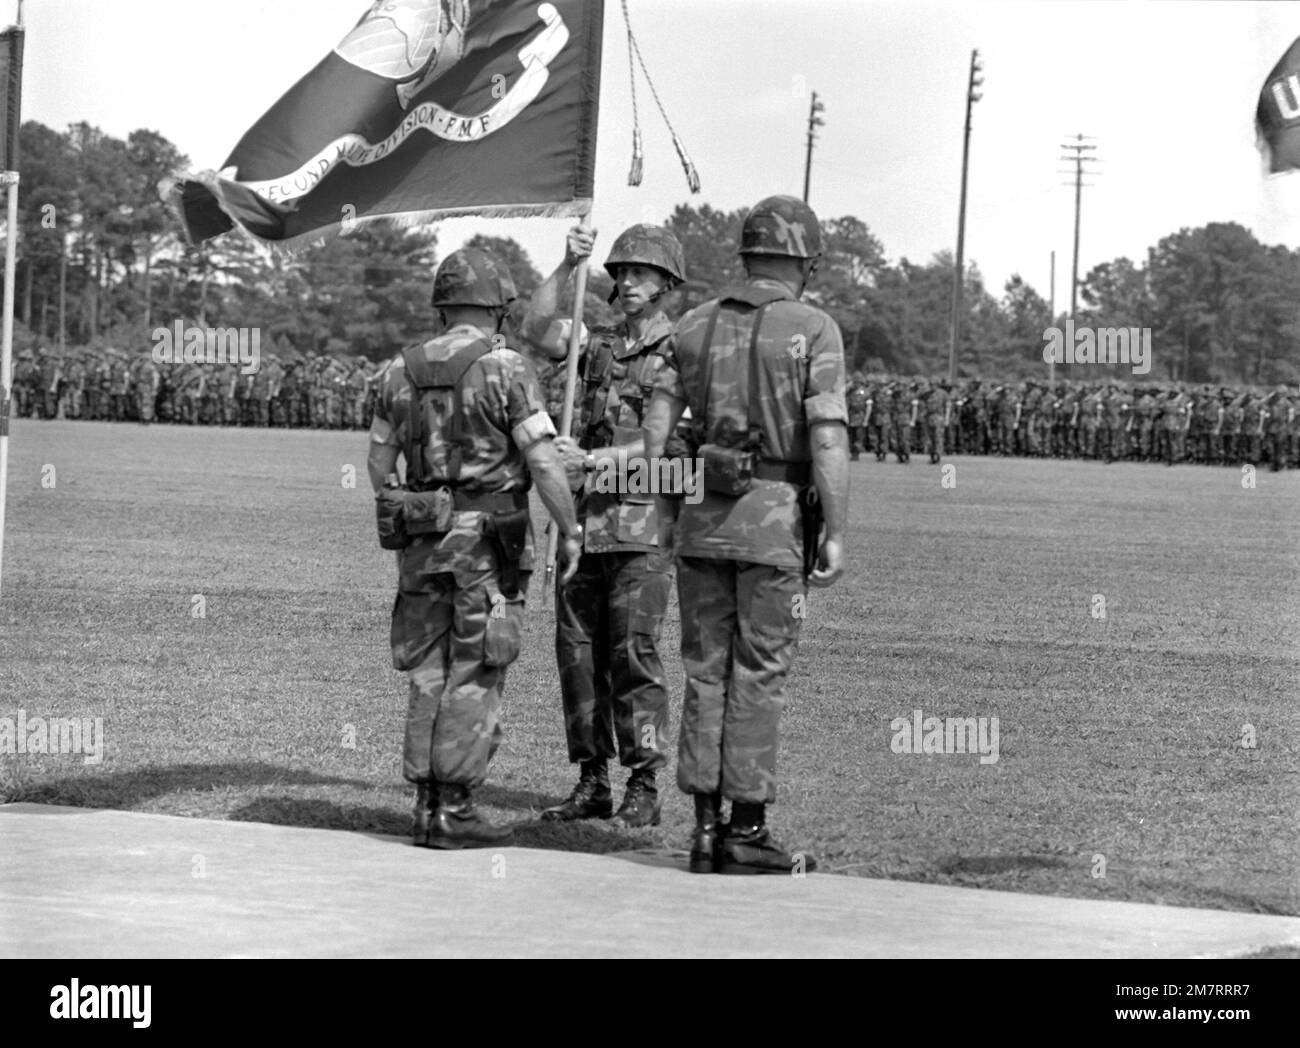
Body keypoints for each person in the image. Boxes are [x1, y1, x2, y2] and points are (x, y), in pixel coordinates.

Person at [642, 194, 849, 875]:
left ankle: (703, 827)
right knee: (759, 673)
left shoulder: (693, 324)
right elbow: (826, 440)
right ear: (803, 261)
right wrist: (837, 533)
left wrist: (668, 505)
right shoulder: (814, 328)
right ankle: (746, 826)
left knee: (704, 670)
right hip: (774, 525)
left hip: (702, 520)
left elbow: (657, 431)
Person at [368, 247, 581, 849]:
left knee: (427, 671)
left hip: (420, 542)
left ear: (442, 306)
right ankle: (455, 809)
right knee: (477, 668)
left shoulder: (396, 370)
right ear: (499, 307)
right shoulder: (507, 367)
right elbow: (541, 461)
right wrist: (570, 529)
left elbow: (378, 462)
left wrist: (410, 506)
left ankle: (425, 804)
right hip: (487, 546)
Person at [521, 223, 684, 828]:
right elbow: (534, 331)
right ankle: (591, 779)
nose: (629, 281)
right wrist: (566, 266)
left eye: (642, 272)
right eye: (621, 272)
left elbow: (672, 458)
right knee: (578, 654)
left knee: (634, 654)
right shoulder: (599, 346)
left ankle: (643, 784)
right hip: (582, 525)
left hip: (642, 532)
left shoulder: (682, 353)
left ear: (667, 282)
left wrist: (591, 460)